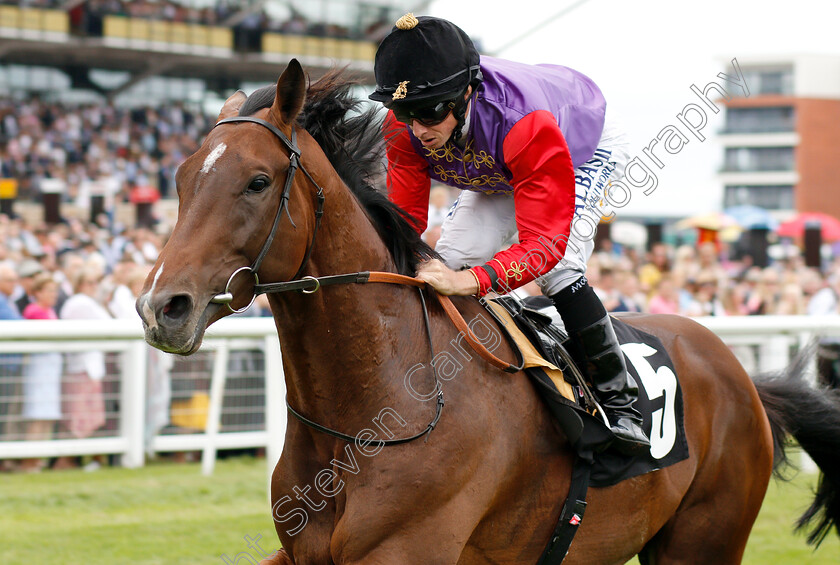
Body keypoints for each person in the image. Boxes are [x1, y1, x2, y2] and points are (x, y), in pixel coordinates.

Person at [368, 14, 649, 454]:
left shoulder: (526, 126)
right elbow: (406, 223)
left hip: (576, 145)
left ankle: (621, 401)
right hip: (498, 155)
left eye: (430, 111)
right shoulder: (402, 127)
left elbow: (545, 244)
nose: (419, 129)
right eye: (405, 112)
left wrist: (472, 282)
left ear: (465, 93)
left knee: (563, 267)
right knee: (453, 254)